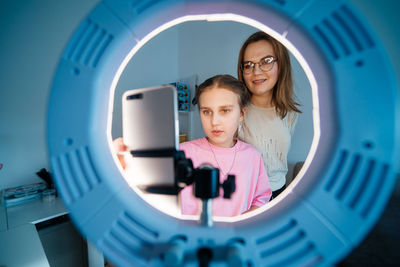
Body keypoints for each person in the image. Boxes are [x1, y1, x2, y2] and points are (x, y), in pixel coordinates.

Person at [179, 74, 272, 217]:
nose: (215, 121)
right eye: (206, 111)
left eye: (225, 110)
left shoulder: (252, 156)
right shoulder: (183, 152)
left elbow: (260, 200)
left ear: (241, 113)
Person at [237, 31, 301, 199]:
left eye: (266, 61)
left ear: (282, 65)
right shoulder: (235, 111)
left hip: (280, 193)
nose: (256, 71)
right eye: (248, 65)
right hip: (247, 196)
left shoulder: (290, 112)